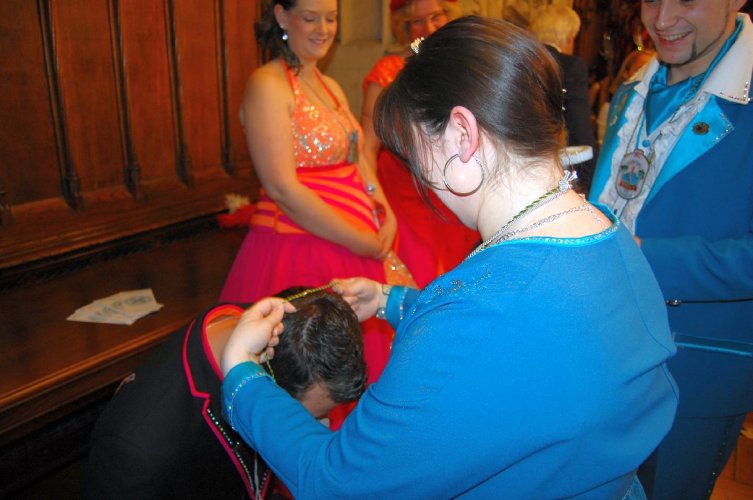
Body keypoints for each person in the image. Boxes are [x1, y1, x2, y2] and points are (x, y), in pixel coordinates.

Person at [218, 17, 679, 498]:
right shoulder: (606, 231)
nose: (418, 174)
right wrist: (390, 300)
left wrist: (242, 373)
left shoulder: (477, 315)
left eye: (414, 152)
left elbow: (336, 482)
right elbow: (524, 338)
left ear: (462, 135)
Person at [589, 1, 753, 498]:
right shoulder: (634, 88)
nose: (661, 21)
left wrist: (644, 255)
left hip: (693, 369)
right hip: (600, 353)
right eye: (650, 0)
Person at [219, 0, 399, 390]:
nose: (323, 29)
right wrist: (360, 239)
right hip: (302, 250)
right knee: (310, 380)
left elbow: (358, 159)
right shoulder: (267, 84)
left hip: (353, 248)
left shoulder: (330, 86)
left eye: (331, 18)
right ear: (282, 16)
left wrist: (386, 212)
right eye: (310, 18)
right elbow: (282, 188)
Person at [85, 287, 366, 499]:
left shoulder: (279, 329)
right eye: (309, 419)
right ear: (262, 380)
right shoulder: (136, 452)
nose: (316, 429)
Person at [360, 0, 479, 288]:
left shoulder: (463, 68)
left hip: (454, 190)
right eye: (417, 21)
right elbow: (366, 149)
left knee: (459, 279)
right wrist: (375, 203)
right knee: (419, 279)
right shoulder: (387, 71)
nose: (428, 27)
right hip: (403, 194)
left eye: (436, 16)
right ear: (403, 26)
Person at [529, 3, 598, 194]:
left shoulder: (520, 62)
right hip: (555, 169)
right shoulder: (571, 66)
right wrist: (592, 180)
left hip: (523, 164)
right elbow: (580, 127)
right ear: (568, 37)